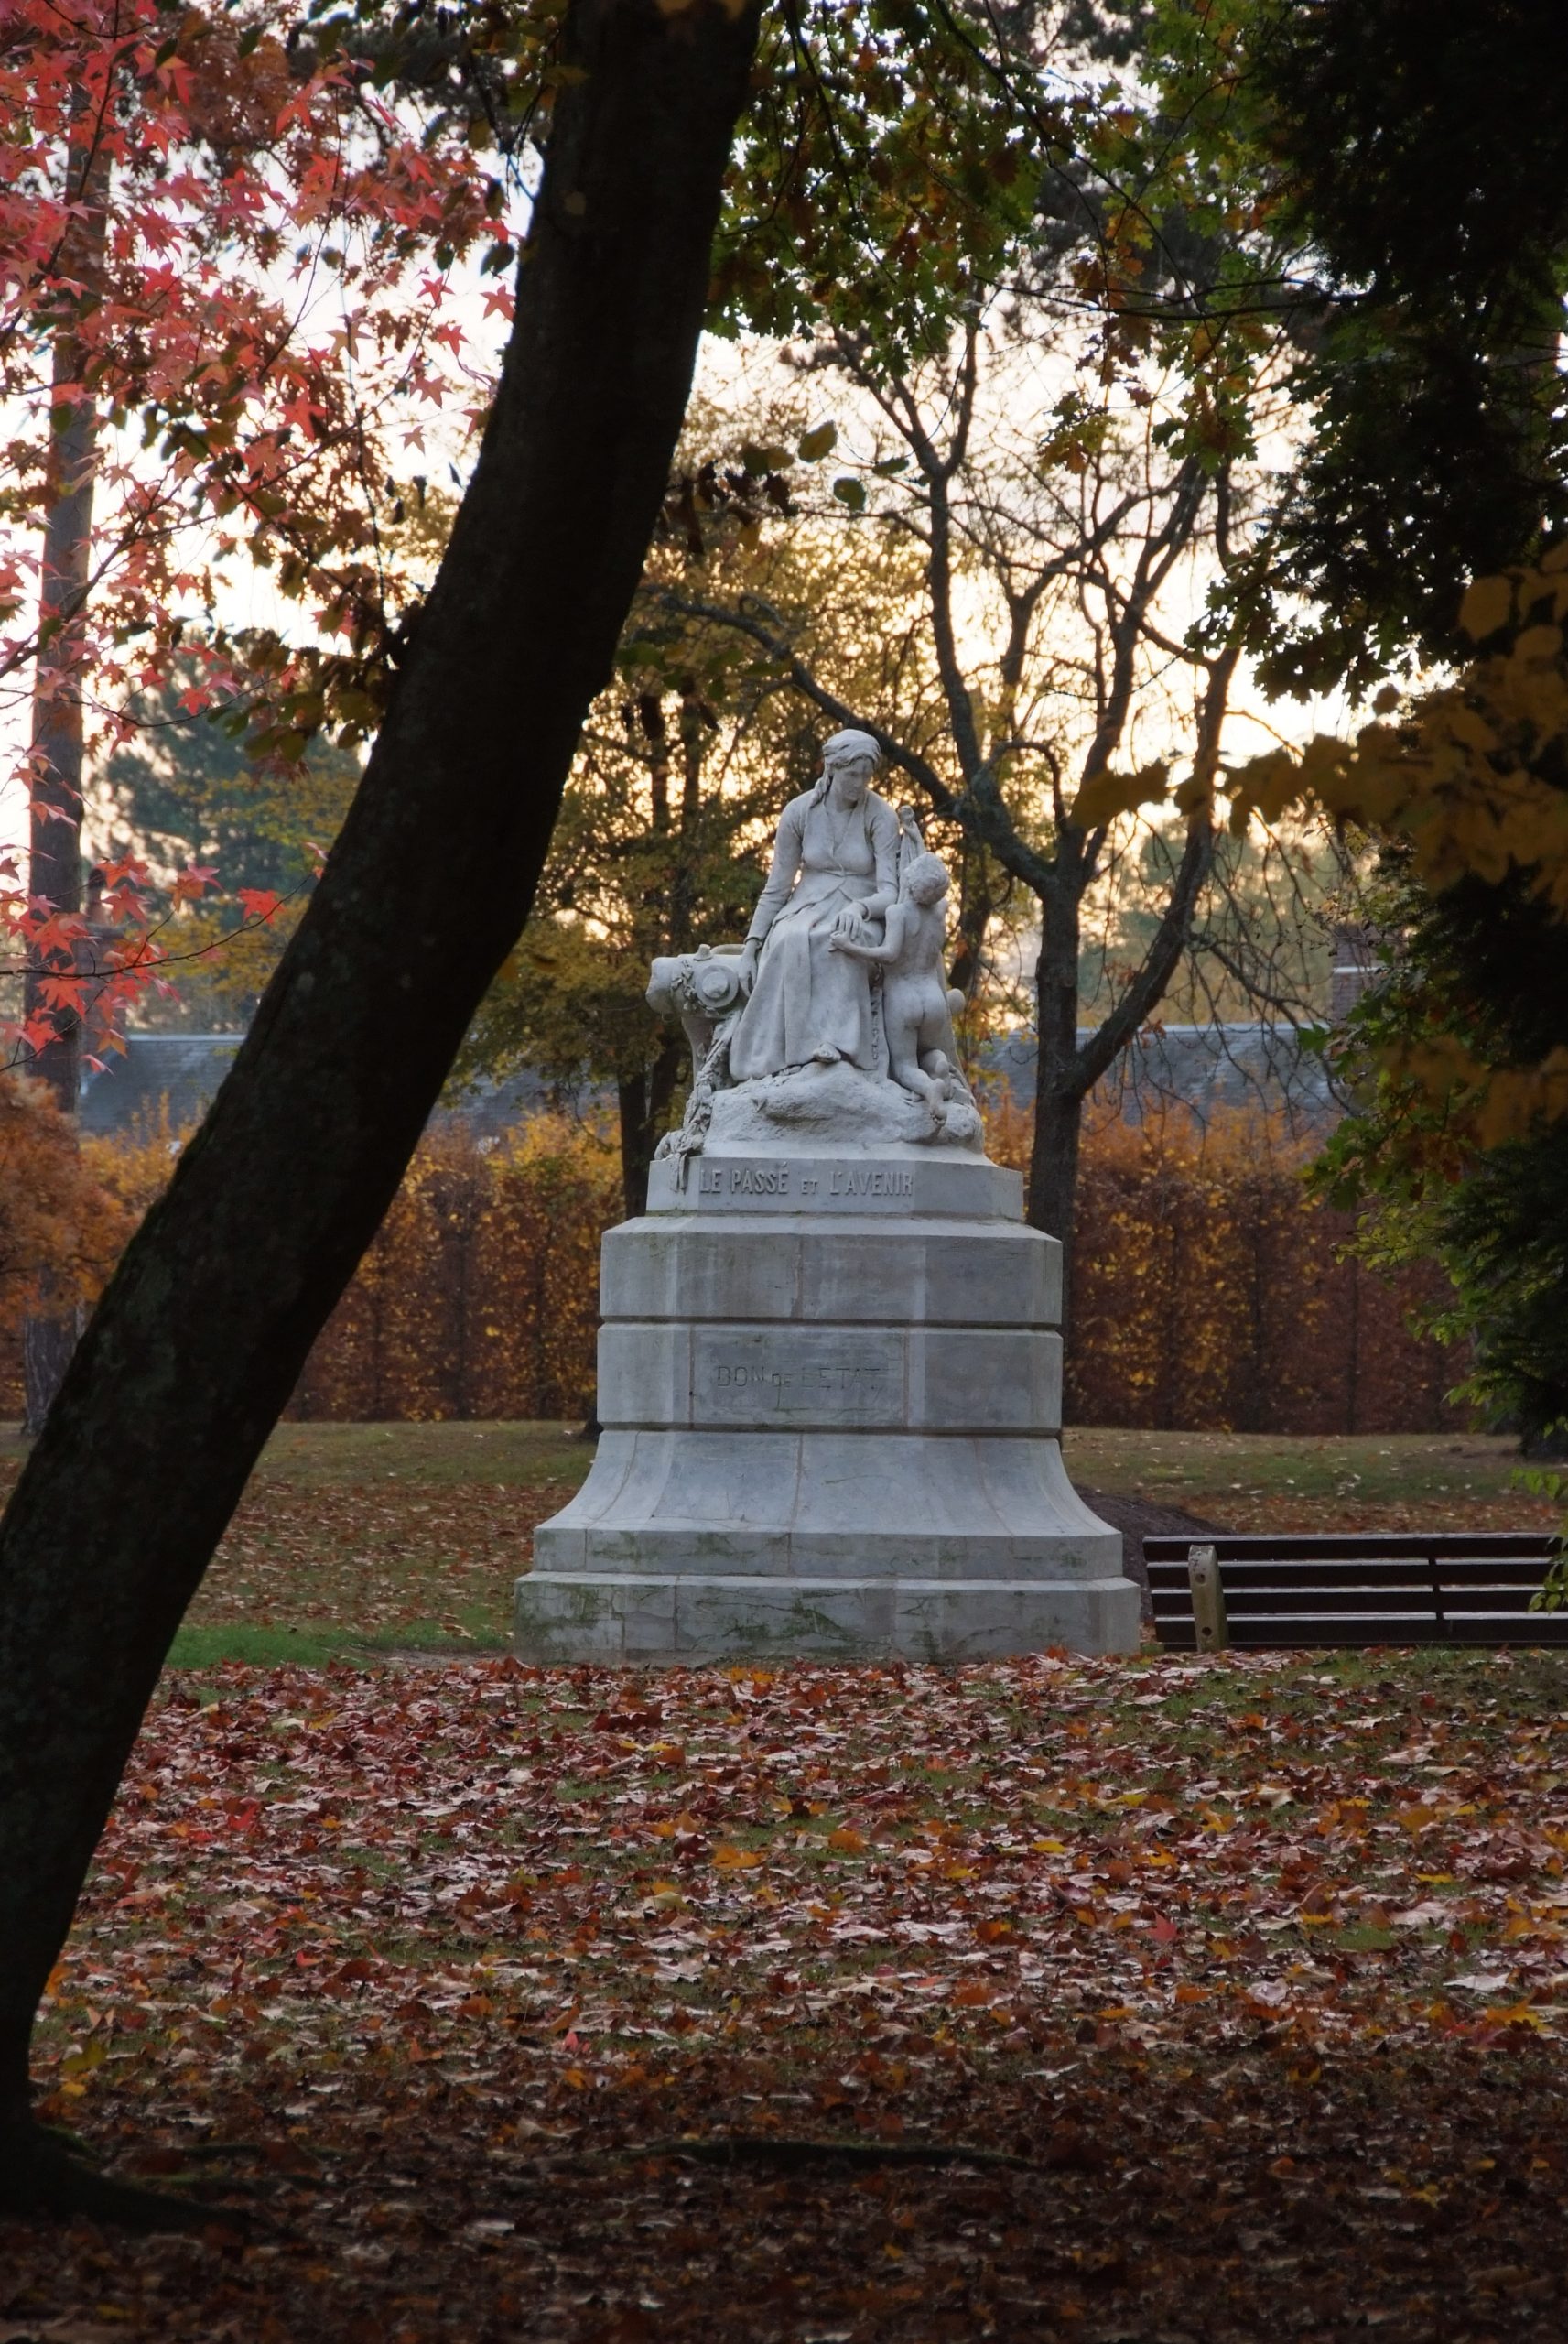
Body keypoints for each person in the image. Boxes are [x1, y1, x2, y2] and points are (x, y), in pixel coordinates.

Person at [728, 728, 902, 1082]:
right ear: (832, 768)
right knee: (788, 940)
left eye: (865, 776)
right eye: (852, 775)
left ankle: (838, 1044)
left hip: (861, 909)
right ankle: (780, 1054)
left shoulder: (881, 816)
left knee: (839, 943)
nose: (859, 784)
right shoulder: (799, 812)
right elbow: (777, 887)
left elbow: (890, 891)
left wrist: (861, 909)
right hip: (806, 905)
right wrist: (751, 945)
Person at [829, 847, 964, 1112]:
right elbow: (933, 889)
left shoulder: (897, 913)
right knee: (927, 1053)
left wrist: (849, 947)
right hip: (934, 999)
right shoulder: (940, 911)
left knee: (904, 1066)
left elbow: (889, 954)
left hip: (904, 998)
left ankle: (930, 1090)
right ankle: (939, 1066)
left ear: (911, 881)